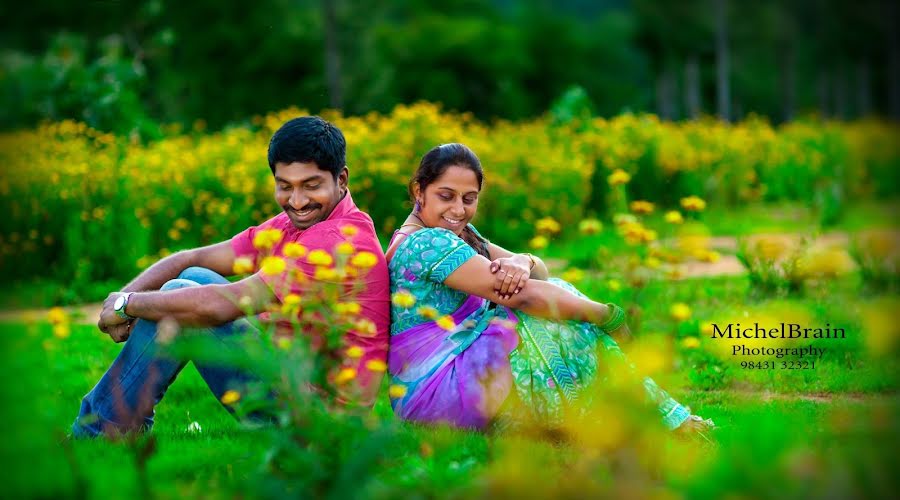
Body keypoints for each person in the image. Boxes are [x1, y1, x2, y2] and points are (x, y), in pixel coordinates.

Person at [72, 116, 390, 438]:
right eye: (285, 186)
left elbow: (216, 308)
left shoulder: (338, 240)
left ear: (341, 179)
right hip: (289, 381)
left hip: (319, 420)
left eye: (311, 186)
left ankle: (99, 432)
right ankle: (113, 427)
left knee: (183, 295)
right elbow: (191, 257)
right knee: (193, 276)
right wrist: (117, 303)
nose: (297, 201)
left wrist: (128, 304)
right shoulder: (298, 223)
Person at [385, 143, 713, 432]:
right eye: (446, 196)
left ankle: (641, 411)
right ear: (419, 190)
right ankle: (648, 413)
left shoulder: (456, 233)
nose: (458, 210)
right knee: (550, 317)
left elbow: (539, 274)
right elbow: (526, 295)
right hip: (434, 388)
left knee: (556, 302)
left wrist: (522, 261)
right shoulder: (426, 243)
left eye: (469, 199)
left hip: (447, 373)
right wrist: (606, 316)